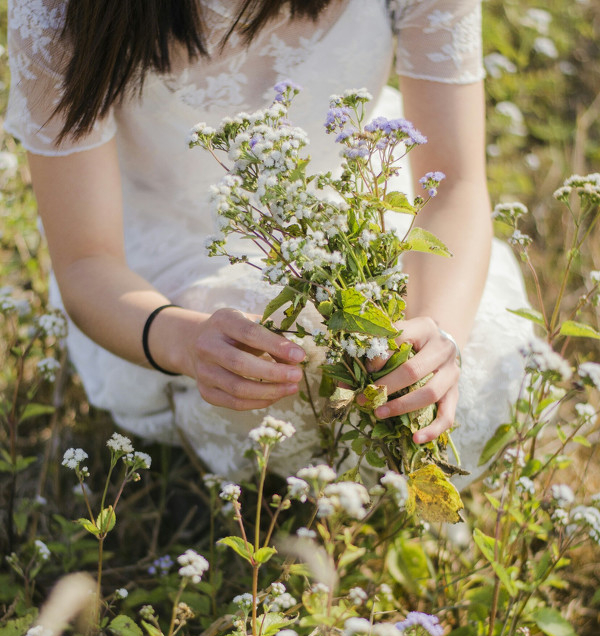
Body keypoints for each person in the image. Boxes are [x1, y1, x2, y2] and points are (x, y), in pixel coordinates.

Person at [4, 0, 534, 483]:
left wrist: (434, 340)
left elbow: (452, 185)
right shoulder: (57, 11)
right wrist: (185, 342)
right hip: (173, 262)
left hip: (349, 210)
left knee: (485, 361)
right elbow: (85, 261)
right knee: (290, 350)